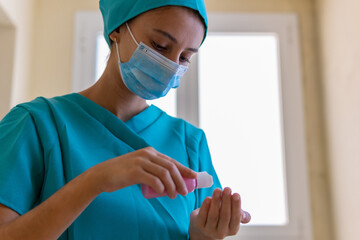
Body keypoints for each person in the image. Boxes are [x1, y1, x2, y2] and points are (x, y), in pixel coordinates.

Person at [0, 0, 251, 239]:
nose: (171, 65)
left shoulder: (190, 144)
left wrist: (202, 236)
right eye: (160, 45)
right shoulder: (37, 125)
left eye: (185, 57)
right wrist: (95, 181)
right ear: (117, 30)